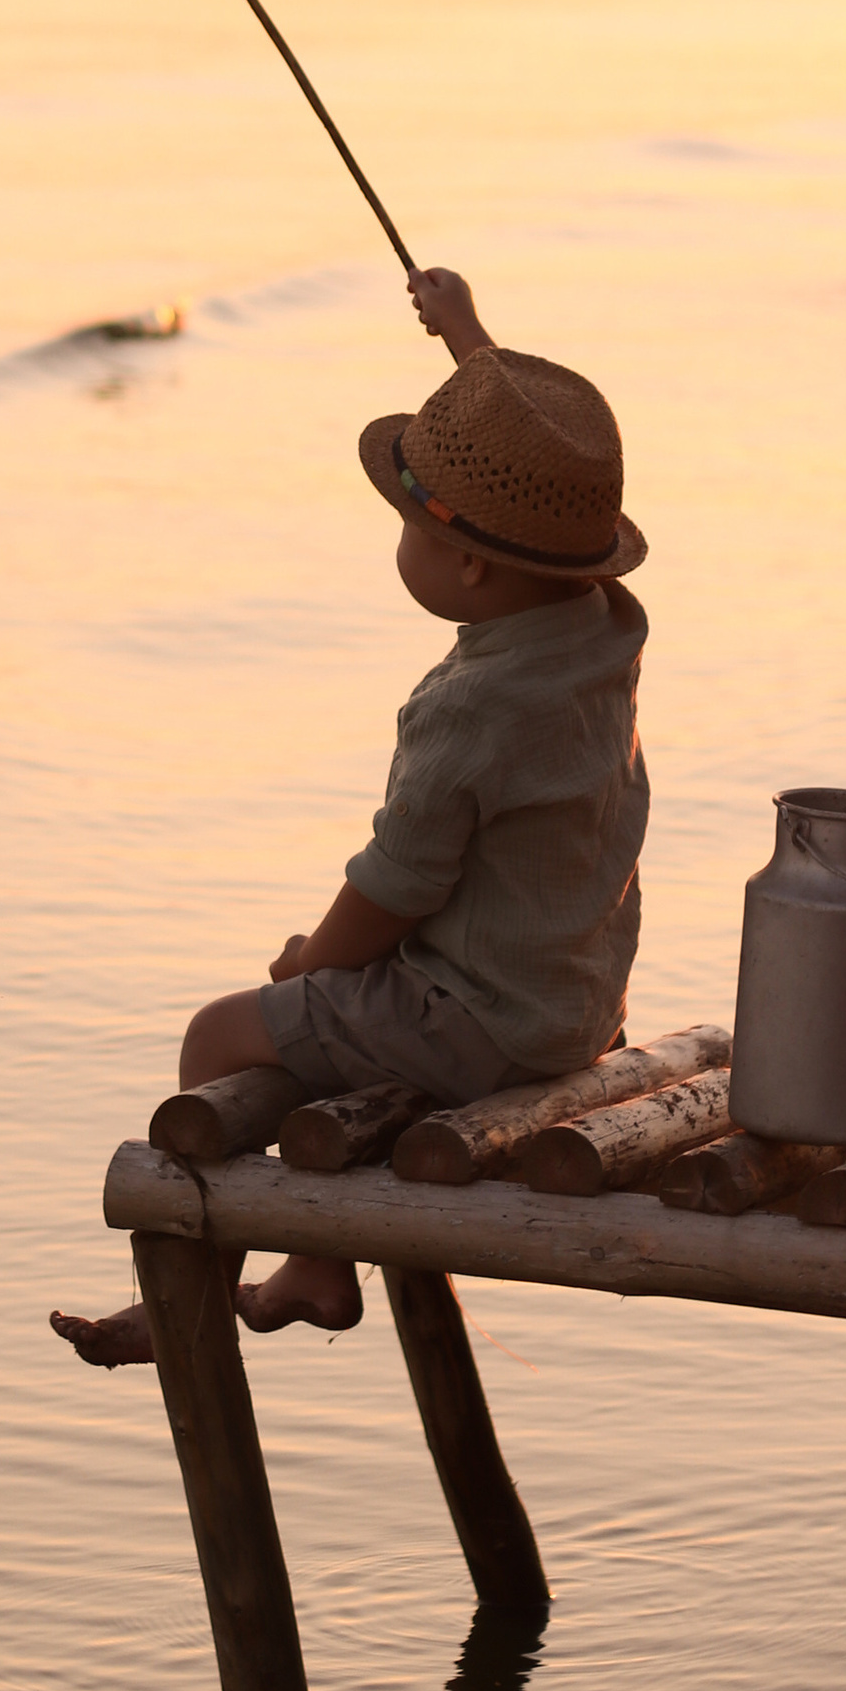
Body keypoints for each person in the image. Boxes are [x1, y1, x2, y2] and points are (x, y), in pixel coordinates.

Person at [51, 264, 649, 1366]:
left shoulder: (471, 710)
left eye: (407, 520)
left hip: (483, 1026)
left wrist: (310, 969)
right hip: (572, 995)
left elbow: (397, 882)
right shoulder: (600, 627)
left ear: (465, 563)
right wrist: (468, 339)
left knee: (223, 1034)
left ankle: (191, 1293)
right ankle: (318, 1266)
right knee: (325, 1018)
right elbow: (535, 470)